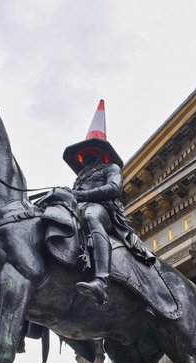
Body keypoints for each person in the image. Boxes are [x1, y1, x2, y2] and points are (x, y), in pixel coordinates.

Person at [62, 100, 155, 307]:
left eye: (90, 152)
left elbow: (114, 189)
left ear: (98, 154)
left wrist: (84, 196)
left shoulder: (110, 168)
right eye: (84, 153)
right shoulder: (79, 179)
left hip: (104, 212)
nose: (85, 157)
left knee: (90, 216)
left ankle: (102, 281)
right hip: (77, 207)